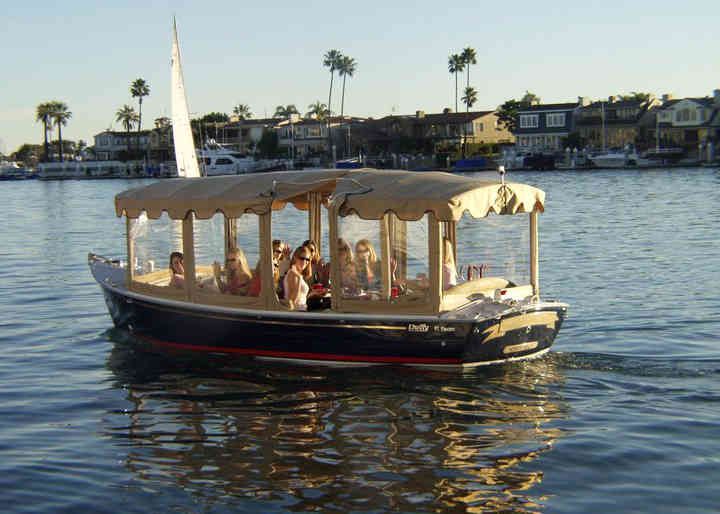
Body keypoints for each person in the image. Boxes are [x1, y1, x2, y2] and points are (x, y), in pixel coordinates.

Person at [284, 246, 311, 311]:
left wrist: (312, 294)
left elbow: (301, 296)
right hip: (297, 312)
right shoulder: (293, 274)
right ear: (295, 258)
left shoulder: (297, 273)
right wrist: (299, 278)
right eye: (302, 258)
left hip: (302, 310)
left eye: (307, 259)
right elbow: (292, 301)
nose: (305, 261)